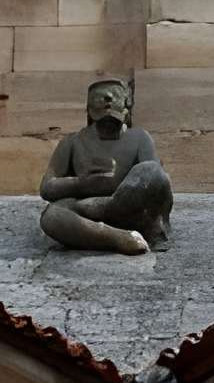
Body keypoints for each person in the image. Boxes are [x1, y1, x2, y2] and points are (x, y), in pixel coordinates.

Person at [38, 77, 173, 255]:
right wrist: (82, 183)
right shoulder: (72, 141)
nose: (108, 98)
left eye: (114, 94)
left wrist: (118, 194)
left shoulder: (140, 137)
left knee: (152, 170)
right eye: (100, 96)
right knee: (52, 216)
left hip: (130, 205)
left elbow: (154, 180)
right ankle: (118, 238)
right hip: (88, 210)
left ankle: (120, 221)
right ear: (88, 107)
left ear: (126, 104)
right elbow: (47, 187)